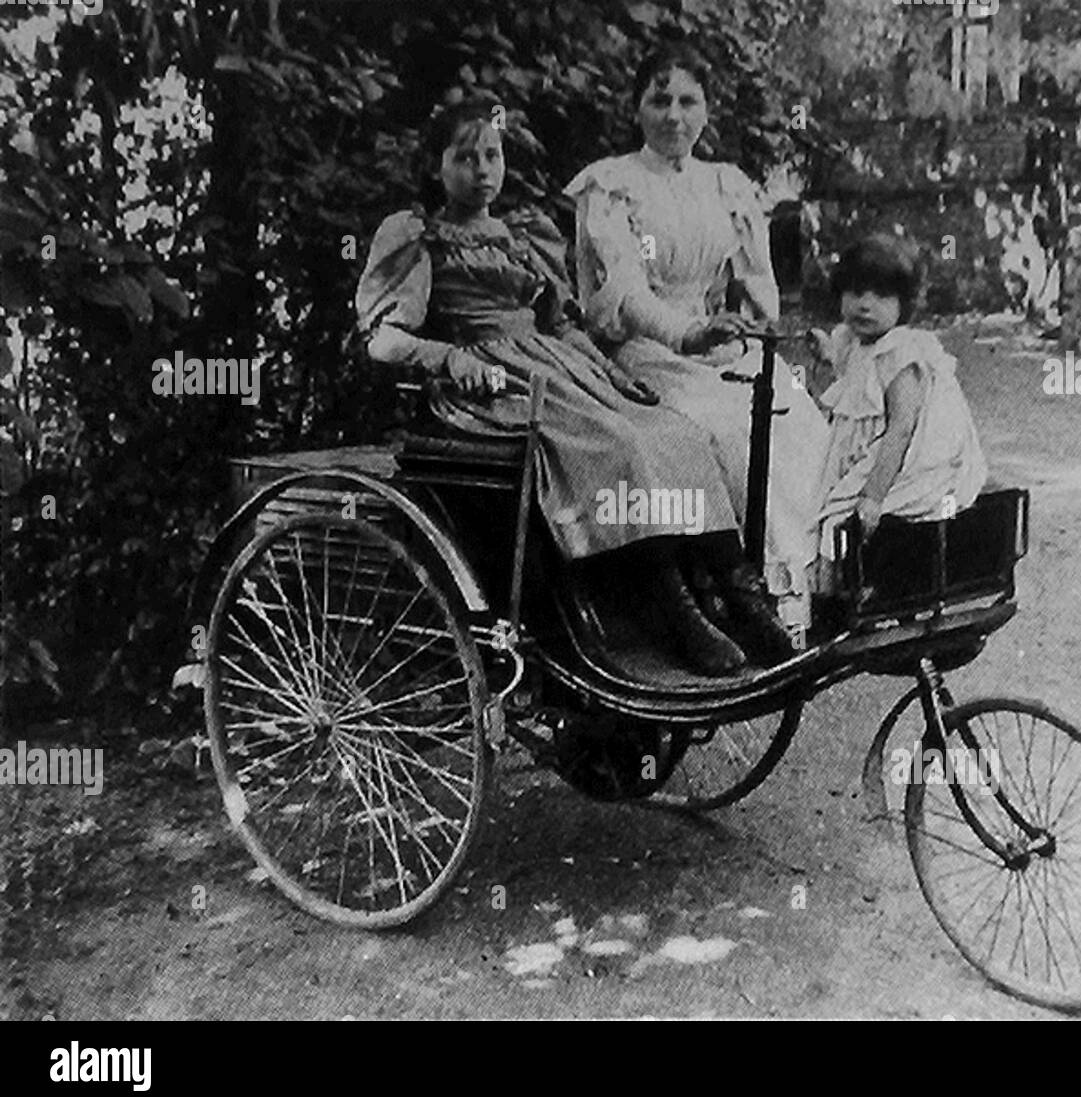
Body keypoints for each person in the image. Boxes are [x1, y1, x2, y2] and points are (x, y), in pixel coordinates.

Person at [354, 98, 783, 675]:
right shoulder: (421, 239)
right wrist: (450, 359)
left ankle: (740, 594)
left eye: (492, 155)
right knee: (619, 446)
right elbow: (384, 339)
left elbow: (559, 323)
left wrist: (613, 373)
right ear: (437, 167)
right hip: (491, 386)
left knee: (671, 431)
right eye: (465, 157)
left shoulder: (524, 234)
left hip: (561, 370)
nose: (483, 170)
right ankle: (668, 607)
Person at [564, 44, 828, 647]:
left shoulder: (725, 185)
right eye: (659, 100)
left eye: (688, 101)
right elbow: (626, 290)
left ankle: (818, 587)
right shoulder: (613, 185)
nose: (674, 116)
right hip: (643, 350)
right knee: (726, 429)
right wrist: (685, 332)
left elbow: (757, 280)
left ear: (707, 111)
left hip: (716, 343)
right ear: (636, 109)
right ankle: (743, 595)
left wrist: (767, 333)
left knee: (790, 414)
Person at [808, 234, 989, 596]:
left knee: (838, 514)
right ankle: (839, 590)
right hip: (865, 444)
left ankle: (850, 594)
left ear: (903, 304)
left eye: (880, 296)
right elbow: (855, 373)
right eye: (856, 293)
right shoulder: (853, 338)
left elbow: (902, 428)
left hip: (903, 458)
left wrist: (874, 495)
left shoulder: (900, 351)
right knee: (812, 496)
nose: (864, 306)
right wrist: (827, 351)